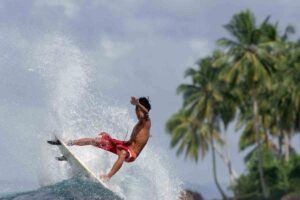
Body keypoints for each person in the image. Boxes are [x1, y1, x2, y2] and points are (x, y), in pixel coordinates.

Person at [68, 96, 151, 181]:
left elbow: (146, 114)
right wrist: (111, 140)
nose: (138, 113)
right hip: (125, 145)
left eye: (139, 110)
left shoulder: (146, 121)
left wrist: (138, 104)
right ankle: (71, 142)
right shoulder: (140, 125)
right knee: (98, 141)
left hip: (131, 153)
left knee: (123, 153)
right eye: (136, 110)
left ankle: (108, 176)